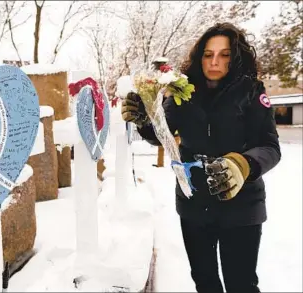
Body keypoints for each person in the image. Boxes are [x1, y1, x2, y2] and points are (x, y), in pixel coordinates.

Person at [122, 22, 281, 293]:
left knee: (241, 284)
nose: (215, 61)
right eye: (208, 54)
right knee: (204, 281)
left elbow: (269, 147)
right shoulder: (184, 92)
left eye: (224, 54)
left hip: (242, 206)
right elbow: (163, 133)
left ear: (237, 56)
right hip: (194, 205)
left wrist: (242, 165)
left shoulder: (251, 91)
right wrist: (144, 119)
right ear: (200, 57)